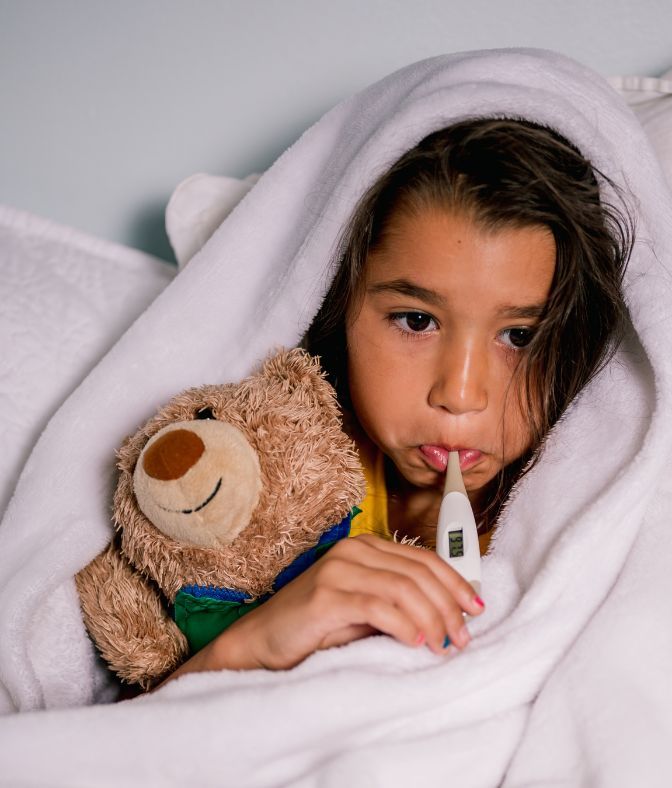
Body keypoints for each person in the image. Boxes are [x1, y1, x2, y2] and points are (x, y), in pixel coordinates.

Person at [163, 116, 632, 683]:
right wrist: (251, 643)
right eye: (416, 321)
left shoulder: (600, 517)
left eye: (521, 337)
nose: (459, 395)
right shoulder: (267, 475)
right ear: (334, 303)